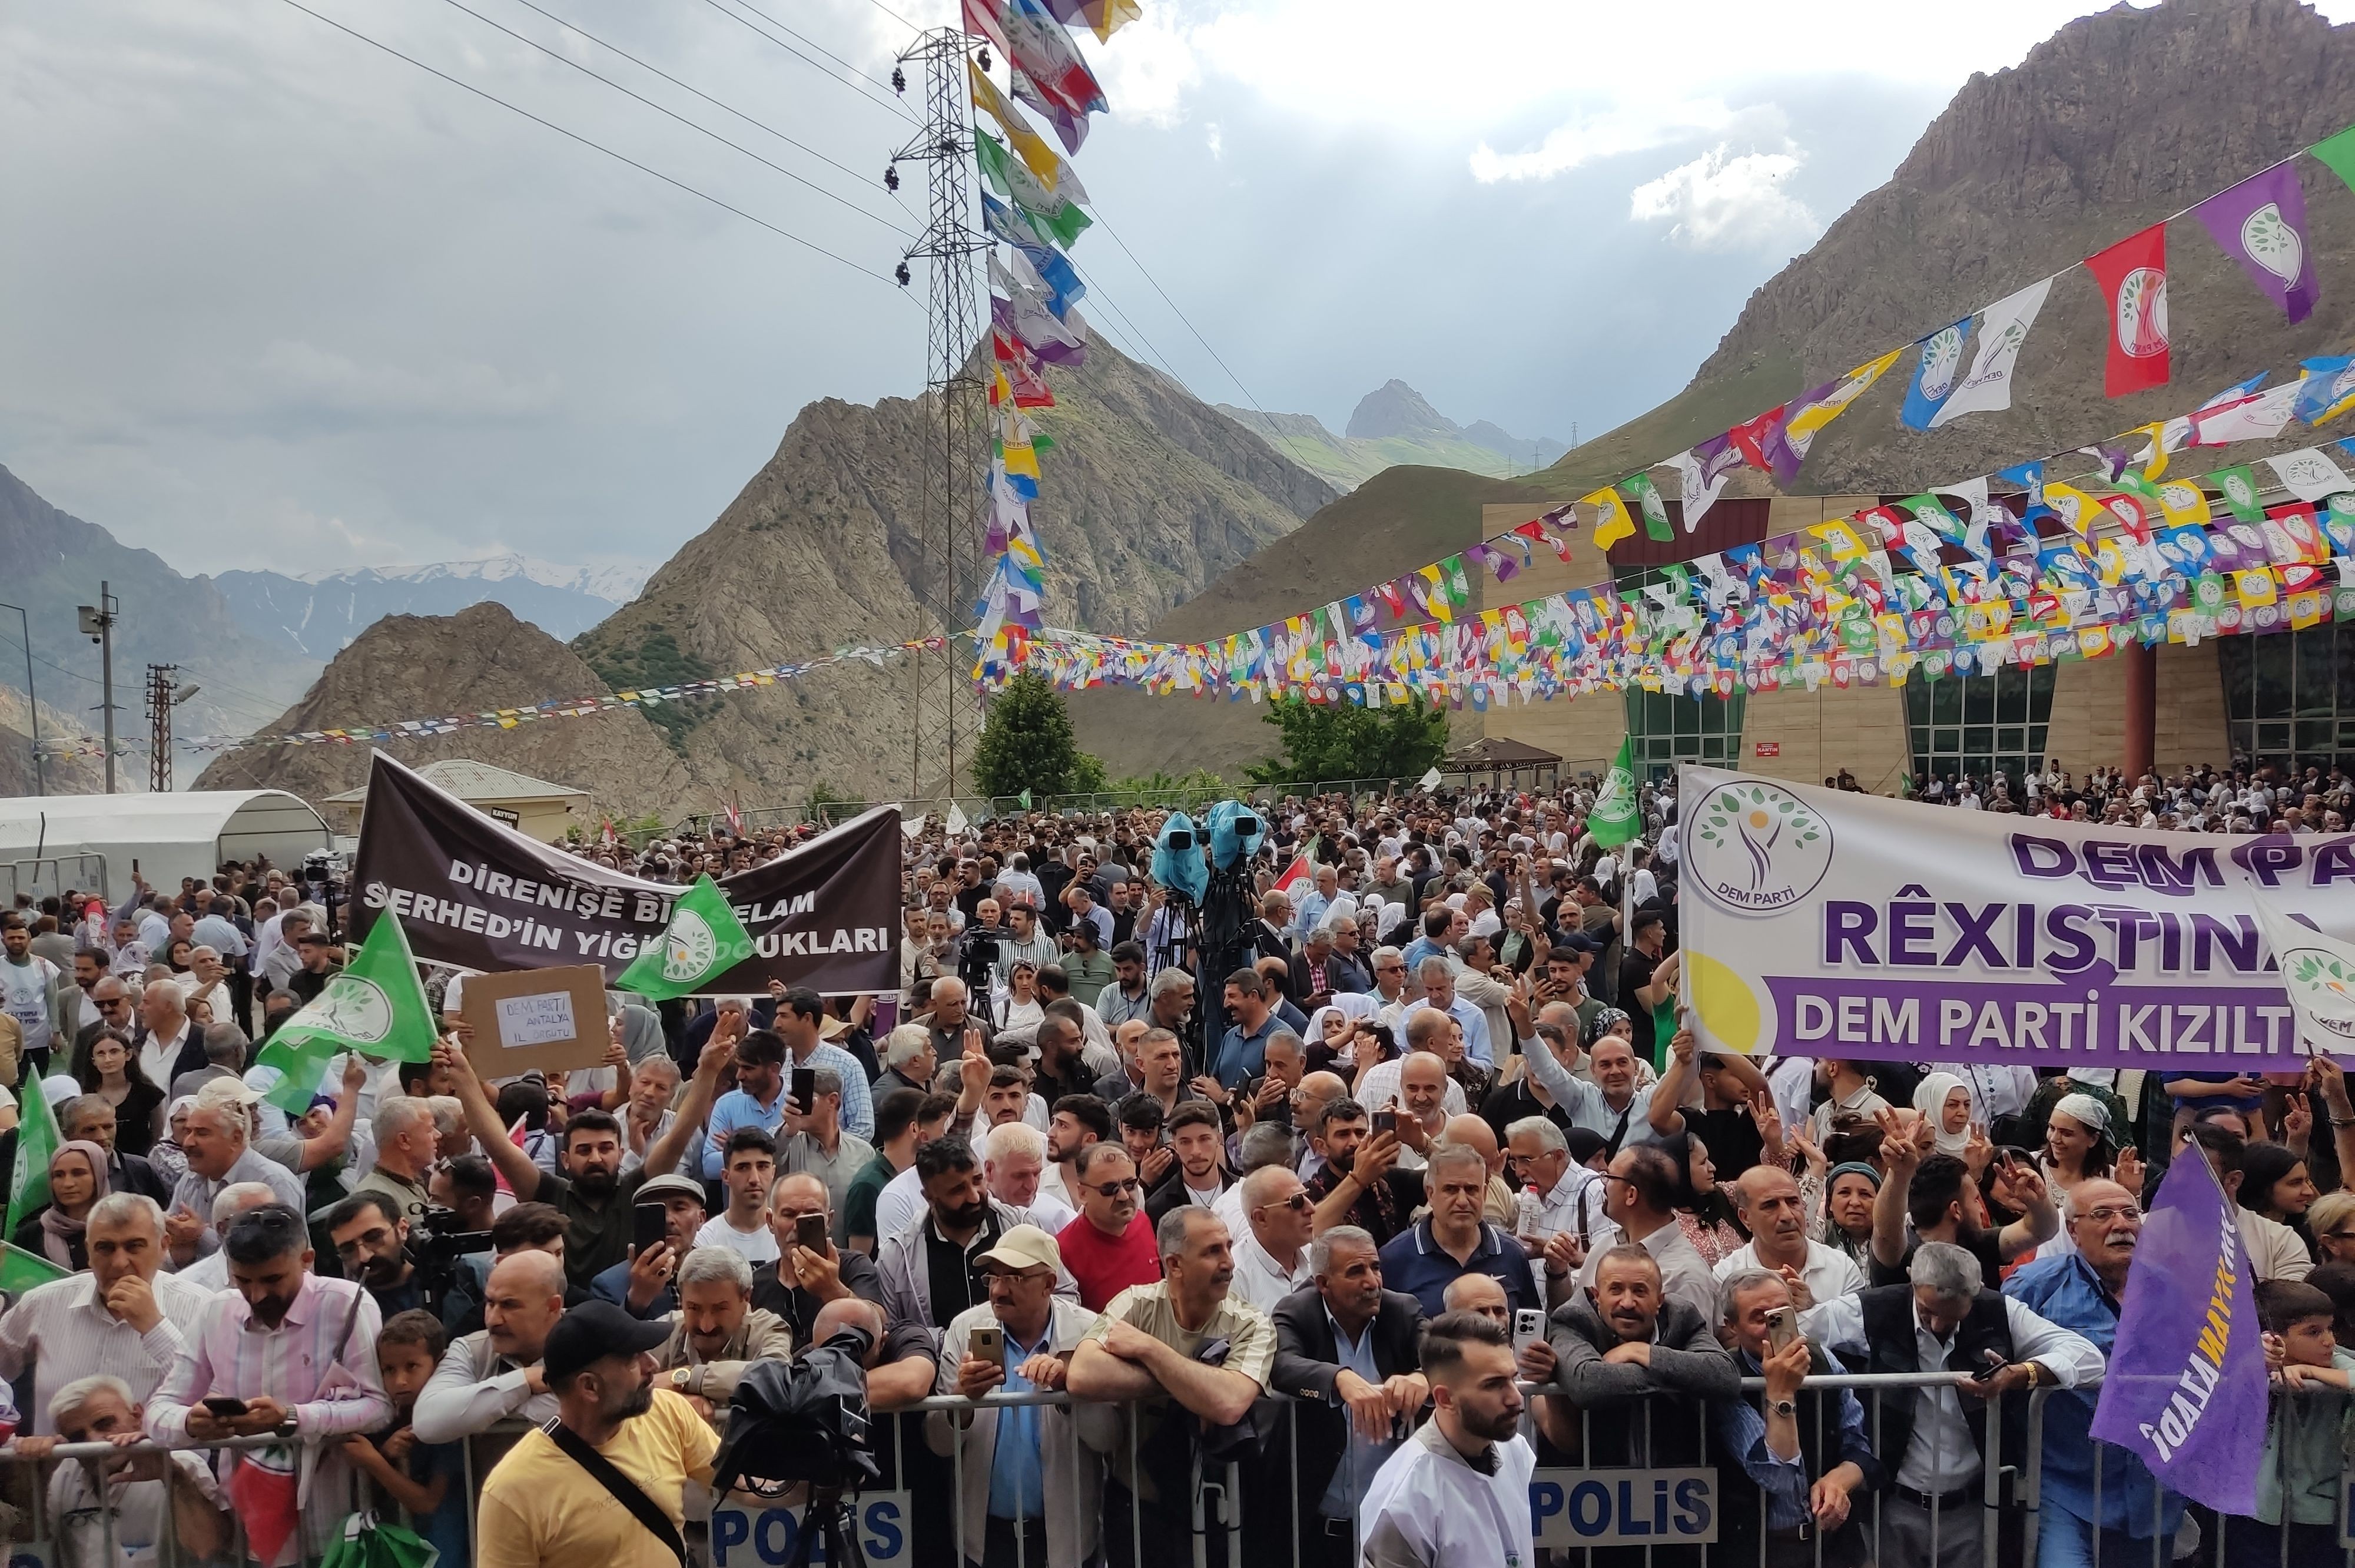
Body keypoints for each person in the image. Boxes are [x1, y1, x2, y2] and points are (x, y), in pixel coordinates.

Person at [1803, 1241, 2105, 1568]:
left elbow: (2088, 1357)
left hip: (1975, 1506)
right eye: (1927, 1311)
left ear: (1975, 1294)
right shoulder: (1874, 1309)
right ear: (1911, 1281)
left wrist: (2020, 1374)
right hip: (1893, 1502)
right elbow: (1799, 1332)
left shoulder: (1998, 1311)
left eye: (1950, 1316)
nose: (1936, 1326)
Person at [144, 1204, 396, 1566]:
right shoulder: (216, 1311)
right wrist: (190, 1424)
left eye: (272, 1280)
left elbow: (378, 1407)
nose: (258, 1295)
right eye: (243, 1281)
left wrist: (291, 1418)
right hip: (247, 1531)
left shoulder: (346, 1304)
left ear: (307, 1259)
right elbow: (159, 1411)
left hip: (334, 1532)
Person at [1067, 1207, 1273, 1568]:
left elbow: (1228, 1403)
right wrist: (1194, 1385)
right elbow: (1083, 1374)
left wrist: (1150, 1351)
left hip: (1222, 1507)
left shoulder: (1251, 1323)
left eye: (1228, 1247)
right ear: (1174, 1265)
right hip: (1139, 1505)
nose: (1229, 1263)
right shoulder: (1136, 1303)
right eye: (1212, 1252)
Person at [446, 1032, 724, 1290]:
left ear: (620, 1151)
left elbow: (679, 1136)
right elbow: (498, 1145)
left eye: (605, 1149)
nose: (596, 1158)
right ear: (565, 1159)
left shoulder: (634, 1192)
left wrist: (708, 1071)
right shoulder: (549, 1194)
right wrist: (463, 1075)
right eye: (584, 1150)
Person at [2002, 1178, 2182, 1567]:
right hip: (2065, 1486)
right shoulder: (2034, 1287)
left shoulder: (2181, 1292)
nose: (2121, 1224)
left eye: (2130, 1213)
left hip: (2153, 1493)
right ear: (2073, 1230)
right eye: (2102, 1214)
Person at [472, 1301, 719, 1568]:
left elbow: (744, 1484)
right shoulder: (511, 1489)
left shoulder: (668, 1411)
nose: (654, 1365)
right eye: (634, 1359)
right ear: (589, 1387)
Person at [924, 1224, 1107, 1568]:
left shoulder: (1088, 1332)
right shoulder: (965, 1329)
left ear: (1050, 1284)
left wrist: (1070, 1389)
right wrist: (961, 1400)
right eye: (993, 1278)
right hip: (984, 1538)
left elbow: (1107, 1438)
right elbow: (938, 1442)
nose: (998, 1290)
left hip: (1064, 1536)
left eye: (1015, 1278)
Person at [1268, 1225, 1428, 1567]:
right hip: (1312, 1526)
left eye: (1376, 1268)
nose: (1372, 1282)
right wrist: (1338, 1378)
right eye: (1356, 1272)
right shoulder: (1296, 1312)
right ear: (1323, 1284)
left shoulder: (1401, 1310)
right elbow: (1280, 1364)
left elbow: (1447, 1357)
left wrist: (1423, 1377)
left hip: (1390, 1526)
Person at [1553, 1243, 1736, 1533]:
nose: (1627, 1302)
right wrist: (1677, 1375)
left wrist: (1643, 1353)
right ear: (1596, 1296)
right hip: (1596, 1504)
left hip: (1682, 1503)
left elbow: (1724, 1376)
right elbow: (1588, 1384)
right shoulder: (1573, 1319)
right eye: (1616, 1290)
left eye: (1640, 1291)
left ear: (1659, 1300)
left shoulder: (1681, 1316)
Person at [0, 1192, 214, 1432]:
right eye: (106, 1248)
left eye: (134, 1247)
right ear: (89, 1252)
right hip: (58, 1469)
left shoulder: (201, 1307)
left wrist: (155, 1328)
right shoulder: (43, 1303)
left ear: (164, 1246)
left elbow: (216, 1396)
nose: (120, 1262)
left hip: (165, 1468)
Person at [1710, 1270, 1879, 1568]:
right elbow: (1777, 1474)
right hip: (1761, 1547)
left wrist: (1841, 1479)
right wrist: (1781, 1392)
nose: (1774, 1327)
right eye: (1759, 1318)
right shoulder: (1727, 1375)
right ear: (1732, 1327)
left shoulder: (1823, 1359)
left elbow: (1860, 1445)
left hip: (1833, 1544)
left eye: (1781, 1314)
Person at [1355, 1312, 1534, 1568]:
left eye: (1513, 1378)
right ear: (1445, 1399)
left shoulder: (1515, 1450)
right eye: (1494, 1385)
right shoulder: (1406, 1498)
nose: (1515, 1398)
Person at [877, 1133, 1075, 1340]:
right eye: (958, 1190)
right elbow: (893, 1332)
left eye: (977, 1181)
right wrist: (953, 1343)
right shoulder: (898, 1256)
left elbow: (1067, 1296)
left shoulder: (1023, 1226)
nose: (974, 1196)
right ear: (929, 1198)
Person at [21, 1374, 231, 1568]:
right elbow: (31, 1544)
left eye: (105, 1424)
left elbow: (207, 1548)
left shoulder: (180, 1462)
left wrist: (175, 1478)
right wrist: (34, 1473)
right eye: (77, 1436)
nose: (93, 1441)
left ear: (137, 1416)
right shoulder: (64, 1472)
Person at [338, 1309, 468, 1568]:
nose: (400, 1381)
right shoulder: (388, 1421)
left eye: (412, 1367)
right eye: (389, 1370)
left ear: (439, 1363)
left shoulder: (449, 1422)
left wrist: (375, 1462)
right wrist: (385, 1455)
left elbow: (428, 1502)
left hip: (445, 1551)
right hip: (405, 1550)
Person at [2241, 1279, 2355, 1567]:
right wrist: (2257, 1360)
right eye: (2313, 1332)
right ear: (2274, 1337)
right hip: (2256, 1509)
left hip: (2321, 1511)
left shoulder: (2337, 1361)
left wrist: (2308, 1371)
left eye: (2330, 1328)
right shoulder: (2250, 1359)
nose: (2329, 1340)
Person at [413, 1247, 566, 1451]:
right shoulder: (471, 1350)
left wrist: (479, 1410)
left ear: (553, 1307)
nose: (493, 1320)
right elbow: (428, 1423)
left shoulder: (596, 1348)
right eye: (490, 1303)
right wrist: (525, 1381)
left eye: (509, 1305)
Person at [1377, 1143, 1547, 1318]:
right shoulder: (1395, 1259)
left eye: (1472, 1189)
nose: (1463, 1201)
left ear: (1485, 1193)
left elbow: (1531, 1328)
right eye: (1450, 1190)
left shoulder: (1510, 1253)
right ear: (1431, 1194)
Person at [1574, 1142, 1716, 1323]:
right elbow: (1571, 1318)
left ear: (1631, 1195)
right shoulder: (1607, 1245)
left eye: (1609, 1178)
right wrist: (1557, 1273)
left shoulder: (1685, 1276)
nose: (1604, 1186)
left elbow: (1693, 1350)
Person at [160, 1097, 305, 1266]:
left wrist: (201, 1235)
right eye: (188, 1132)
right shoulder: (190, 1180)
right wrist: (179, 1251)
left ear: (236, 1138)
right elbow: (171, 1257)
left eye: (202, 1133)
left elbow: (276, 1257)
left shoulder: (273, 1182)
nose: (188, 1142)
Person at [750, 1171, 888, 1345]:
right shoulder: (756, 1283)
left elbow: (880, 1322)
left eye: (811, 1215)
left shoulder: (853, 1265)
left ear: (828, 1221)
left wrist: (832, 1289)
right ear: (770, 1221)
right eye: (789, 1214)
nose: (797, 1226)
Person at [648, 1248, 793, 1412]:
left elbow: (775, 1379)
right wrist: (678, 1404)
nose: (706, 1326)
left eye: (719, 1309)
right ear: (681, 1299)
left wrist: (689, 1377)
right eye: (694, 1308)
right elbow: (621, 1387)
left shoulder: (767, 1329)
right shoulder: (663, 1331)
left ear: (746, 1298)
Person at [1715, 1165, 1865, 1310]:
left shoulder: (1842, 1269)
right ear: (1745, 1218)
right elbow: (1726, 1334)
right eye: (1770, 1205)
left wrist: (1814, 1309)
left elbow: (1854, 1331)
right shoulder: (1726, 1276)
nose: (1787, 1216)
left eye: (1793, 1202)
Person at [1056, 1142, 1161, 1311]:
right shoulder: (1063, 1251)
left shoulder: (1143, 1222)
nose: (1123, 1196)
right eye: (1110, 1189)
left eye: (1130, 1185)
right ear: (1083, 1194)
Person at [589, 1172, 708, 1318]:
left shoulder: (721, 1274)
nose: (668, 1219)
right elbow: (608, 1339)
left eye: (679, 1208)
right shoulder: (609, 1286)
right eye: (657, 1211)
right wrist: (637, 1299)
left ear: (701, 1218)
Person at [777, 1064, 875, 1225]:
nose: (799, 1105)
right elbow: (769, 1158)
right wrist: (789, 1130)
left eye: (807, 1098)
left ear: (832, 1100)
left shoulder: (863, 1153)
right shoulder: (788, 1145)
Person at [1227, 1163, 1315, 1313]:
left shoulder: (1316, 1258)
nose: (1312, 1209)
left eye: (1308, 1197)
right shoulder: (1234, 1276)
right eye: (1297, 1202)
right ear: (1261, 1218)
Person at [326, 1189, 426, 1317]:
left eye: (373, 1237)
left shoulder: (450, 1284)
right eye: (348, 1249)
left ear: (402, 1229)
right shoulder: (347, 1314)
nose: (364, 1257)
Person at [15, 1139, 108, 1269]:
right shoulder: (32, 1233)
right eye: (58, 1175)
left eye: (78, 1173)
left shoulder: (120, 1227)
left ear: (99, 1176)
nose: (68, 1184)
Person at [696, 1126, 781, 1263]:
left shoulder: (787, 1234)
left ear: (773, 1173)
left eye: (762, 1167)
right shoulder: (706, 1241)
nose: (754, 1179)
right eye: (743, 1168)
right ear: (726, 1176)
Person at [1143, 1100, 1230, 1226]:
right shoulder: (1158, 1207)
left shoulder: (1243, 1192)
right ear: (1174, 1146)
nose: (1196, 1152)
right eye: (1185, 1142)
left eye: (1204, 1139)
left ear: (1218, 1139)